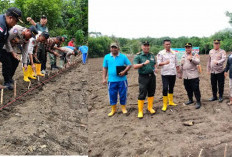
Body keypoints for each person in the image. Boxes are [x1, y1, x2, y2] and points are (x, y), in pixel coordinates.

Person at [102, 43, 131, 117]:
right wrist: (104, 78)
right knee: (112, 95)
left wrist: (124, 72)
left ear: (118, 49)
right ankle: (113, 109)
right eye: (112, 48)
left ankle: (123, 108)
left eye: (115, 48)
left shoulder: (123, 56)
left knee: (123, 94)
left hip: (122, 80)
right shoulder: (107, 57)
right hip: (111, 80)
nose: (113, 49)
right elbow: (105, 68)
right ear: (110, 48)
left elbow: (129, 65)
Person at [133, 41, 157, 118]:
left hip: (152, 76)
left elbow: (154, 64)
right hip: (143, 77)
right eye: (145, 46)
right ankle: (140, 111)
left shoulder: (152, 55)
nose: (146, 47)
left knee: (151, 92)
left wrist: (155, 68)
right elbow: (135, 66)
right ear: (142, 47)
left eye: (148, 46)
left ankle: (150, 108)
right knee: (142, 93)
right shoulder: (138, 56)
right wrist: (143, 64)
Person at [0, 7, 22, 89]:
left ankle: (8, 80)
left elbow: (6, 40)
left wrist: (13, 52)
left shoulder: (6, 25)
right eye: (16, 21)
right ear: (10, 18)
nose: (16, 24)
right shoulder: (1, 26)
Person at [157, 39, 180, 112]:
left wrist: (179, 71)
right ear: (164, 45)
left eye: (169, 44)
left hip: (173, 73)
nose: (168, 45)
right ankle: (164, 104)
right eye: (166, 44)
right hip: (165, 74)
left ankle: (171, 102)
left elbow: (176, 63)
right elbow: (158, 63)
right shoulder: (161, 53)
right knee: (165, 88)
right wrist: (165, 63)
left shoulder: (174, 53)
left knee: (171, 87)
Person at [180, 43, 201, 109]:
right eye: (186, 47)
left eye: (189, 47)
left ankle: (198, 101)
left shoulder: (195, 55)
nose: (187, 49)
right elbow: (182, 65)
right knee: (188, 89)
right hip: (186, 76)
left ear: (191, 48)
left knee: (196, 89)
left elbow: (198, 62)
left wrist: (191, 59)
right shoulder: (183, 55)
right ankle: (190, 100)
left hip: (193, 76)